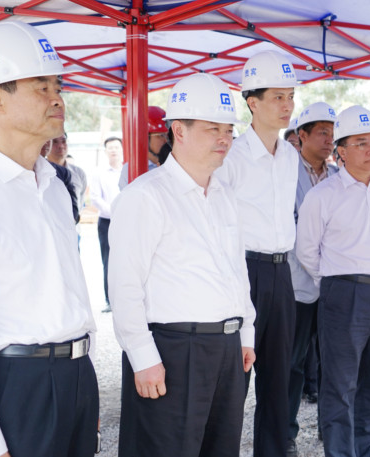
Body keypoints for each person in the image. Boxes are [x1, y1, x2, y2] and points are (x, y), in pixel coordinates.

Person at [109, 73, 255, 457]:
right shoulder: (145, 196)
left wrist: (245, 333)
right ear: (179, 130)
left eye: (229, 130)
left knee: (221, 449)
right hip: (173, 351)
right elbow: (125, 286)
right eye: (213, 129)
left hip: (226, 348)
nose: (224, 139)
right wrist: (142, 356)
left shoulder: (225, 195)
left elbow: (237, 273)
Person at [0, 22, 98, 457]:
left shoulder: (55, 187)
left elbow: (71, 289)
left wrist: (84, 380)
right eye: (41, 87)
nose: (57, 98)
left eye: (57, 86)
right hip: (18, 385)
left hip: (76, 376)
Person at [297, 106, 370, 457]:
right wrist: (339, 281)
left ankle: (369, 448)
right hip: (344, 294)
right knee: (340, 384)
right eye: (361, 143)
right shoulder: (322, 195)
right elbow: (307, 251)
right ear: (341, 151)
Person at [214, 50, 300, 457]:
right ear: (253, 103)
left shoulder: (290, 155)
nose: (287, 105)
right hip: (244, 270)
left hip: (283, 272)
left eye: (291, 96)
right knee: (236, 377)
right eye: (278, 97)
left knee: (278, 379)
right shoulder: (230, 156)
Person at [286, 101, 338, 456]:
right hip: (298, 285)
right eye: (322, 132)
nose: (329, 139)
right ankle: (285, 431)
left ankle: (330, 428)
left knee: (334, 363)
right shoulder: (286, 175)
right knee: (292, 363)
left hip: (334, 286)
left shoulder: (338, 176)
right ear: (301, 135)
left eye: (333, 133)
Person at [90, 136, 123, 313]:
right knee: (108, 261)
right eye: (110, 147)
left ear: (122, 148)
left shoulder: (128, 169)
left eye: (116, 147)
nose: (113, 150)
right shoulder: (98, 172)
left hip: (127, 221)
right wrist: (114, 212)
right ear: (105, 151)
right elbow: (95, 198)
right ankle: (110, 300)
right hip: (106, 222)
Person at [119, 105, 168, 190]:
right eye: (161, 135)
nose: (166, 140)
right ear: (145, 138)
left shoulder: (178, 164)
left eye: (169, 135)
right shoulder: (130, 169)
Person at [49, 134, 87, 217]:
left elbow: (80, 203)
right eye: (55, 141)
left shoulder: (79, 173)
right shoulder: (38, 171)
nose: (60, 146)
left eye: (64, 141)